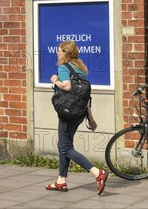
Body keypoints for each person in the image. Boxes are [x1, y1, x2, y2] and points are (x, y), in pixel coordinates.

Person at [46, 40, 108, 195]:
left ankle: (97, 172)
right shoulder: (79, 69)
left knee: (66, 147)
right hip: (79, 113)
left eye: (59, 50)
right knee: (64, 146)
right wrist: (90, 118)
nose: (57, 53)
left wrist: (55, 81)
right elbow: (85, 96)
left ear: (65, 53)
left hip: (67, 112)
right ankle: (61, 181)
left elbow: (66, 86)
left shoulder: (63, 68)